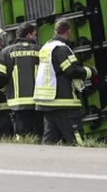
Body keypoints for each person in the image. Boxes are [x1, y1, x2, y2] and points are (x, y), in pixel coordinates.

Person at [33, 17, 96, 145]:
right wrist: (90, 71)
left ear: (55, 31)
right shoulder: (61, 48)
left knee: (50, 142)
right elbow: (72, 71)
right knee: (77, 140)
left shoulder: (45, 47)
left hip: (46, 102)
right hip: (63, 101)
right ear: (68, 32)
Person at [0, 21, 42, 140]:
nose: (36, 37)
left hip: (17, 105)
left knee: (22, 138)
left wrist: (6, 90)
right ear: (29, 35)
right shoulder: (41, 51)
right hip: (38, 103)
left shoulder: (5, 52)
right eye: (35, 35)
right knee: (39, 136)